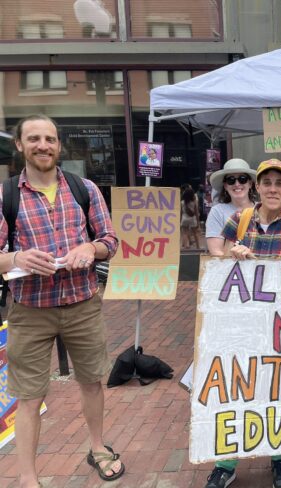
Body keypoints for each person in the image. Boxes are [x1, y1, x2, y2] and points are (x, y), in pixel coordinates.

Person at [0, 115, 122, 487]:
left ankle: (98, 447)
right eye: (34, 138)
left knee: (91, 381)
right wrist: (16, 259)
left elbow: (110, 241)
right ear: (20, 145)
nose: (43, 145)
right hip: (29, 310)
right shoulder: (6, 195)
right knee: (29, 393)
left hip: (81, 303)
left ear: (58, 145)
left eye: (50, 139)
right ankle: (28, 477)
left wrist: (91, 247)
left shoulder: (83, 188)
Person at [205, 158, 281, 488]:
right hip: (242, 322)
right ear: (257, 188)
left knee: (278, 386)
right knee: (240, 386)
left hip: (280, 324)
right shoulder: (240, 217)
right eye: (267, 183)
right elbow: (215, 256)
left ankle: (279, 459)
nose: (273, 188)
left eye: (280, 183)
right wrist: (232, 252)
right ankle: (226, 462)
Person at [205, 158, 256, 256]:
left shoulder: (262, 208)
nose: (237, 184)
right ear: (225, 185)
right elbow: (216, 252)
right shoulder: (217, 211)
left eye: (242, 179)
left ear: (250, 183)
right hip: (231, 269)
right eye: (231, 180)